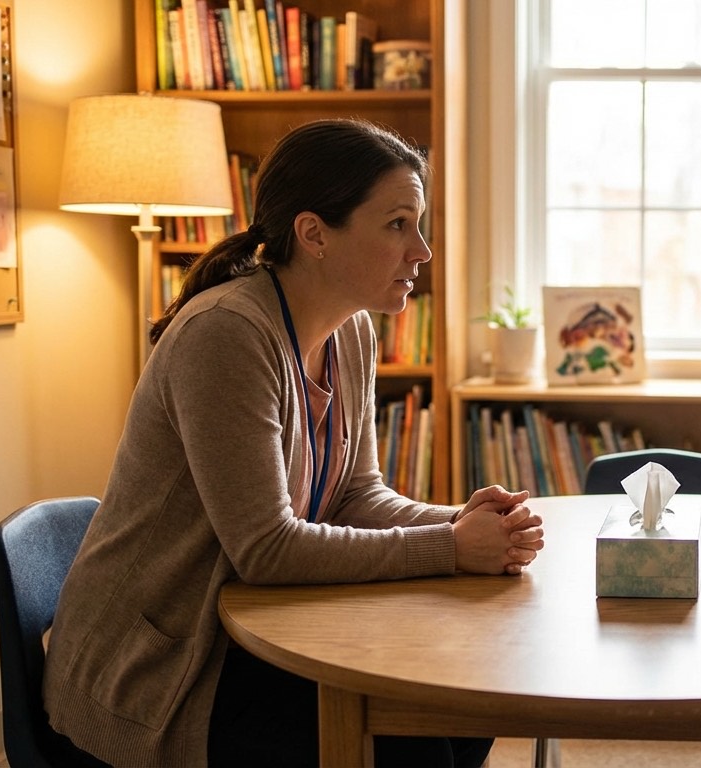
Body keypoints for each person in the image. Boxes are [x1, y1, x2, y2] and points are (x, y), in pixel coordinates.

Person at [42, 118, 545, 768]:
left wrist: (464, 522)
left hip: (252, 629)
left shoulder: (353, 331)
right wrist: (450, 547)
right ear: (314, 235)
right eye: (397, 224)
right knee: (413, 751)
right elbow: (266, 548)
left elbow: (356, 495)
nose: (421, 250)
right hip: (162, 669)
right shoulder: (226, 335)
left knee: (464, 702)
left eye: (418, 225)